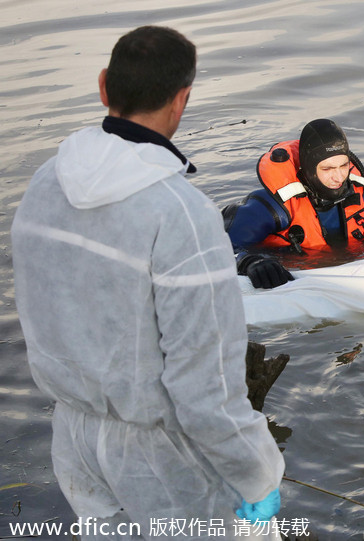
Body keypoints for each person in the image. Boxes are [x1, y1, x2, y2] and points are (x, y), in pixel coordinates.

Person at [11, 26, 283, 538]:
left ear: (103, 86)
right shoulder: (181, 213)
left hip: (74, 437)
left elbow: (43, 310)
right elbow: (206, 387)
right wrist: (258, 474)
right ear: (182, 100)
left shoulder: (46, 182)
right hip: (164, 456)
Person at [222, 118, 364, 289]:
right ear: (309, 169)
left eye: (343, 165)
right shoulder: (274, 207)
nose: (339, 177)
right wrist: (250, 262)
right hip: (297, 278)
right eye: (327, 169)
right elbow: (219, 245)